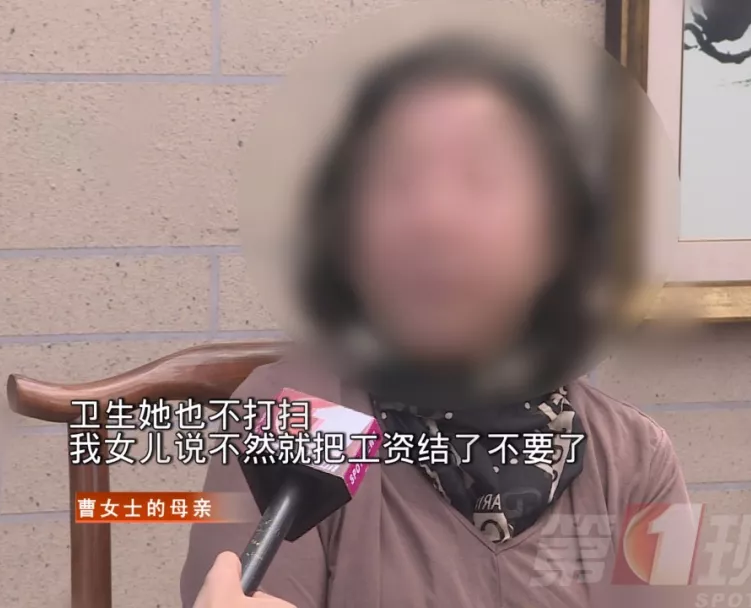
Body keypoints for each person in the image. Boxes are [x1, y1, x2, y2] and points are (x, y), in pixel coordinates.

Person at [182, 38, 692, 608]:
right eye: (396, 182)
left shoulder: (639, 459)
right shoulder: (292, 418)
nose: (435, 219)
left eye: (483, 180)